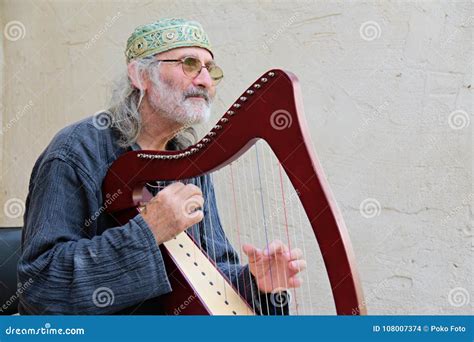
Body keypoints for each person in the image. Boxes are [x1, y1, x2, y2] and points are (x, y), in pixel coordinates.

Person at [18, 18, 306, 315]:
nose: (206, 81)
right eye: (190, 64)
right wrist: (148, 231)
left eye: (210, 69)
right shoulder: (74, 152)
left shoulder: (188, 159)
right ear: (140, 76)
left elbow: (214, 268)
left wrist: (255, 282)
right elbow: (41, 285)